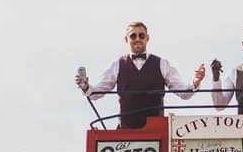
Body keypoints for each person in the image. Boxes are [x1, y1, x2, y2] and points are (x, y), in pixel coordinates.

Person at [76, 22, 205, 128]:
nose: (137, 39)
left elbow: (183, 92)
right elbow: (98, 92)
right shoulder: (117, 65)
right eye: (133, 36)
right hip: (126, 131)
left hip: (156, 130)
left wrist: (196, 82)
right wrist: (86, 87)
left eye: (141, 35)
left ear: (147, 38)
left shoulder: (162, 64)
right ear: (126, 39)